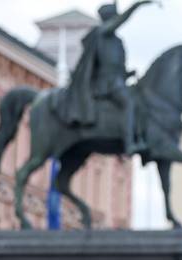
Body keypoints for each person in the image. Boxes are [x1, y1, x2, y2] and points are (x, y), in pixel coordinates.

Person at [57, 1, 154, 155]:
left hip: (117, 81)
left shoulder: (117, 41)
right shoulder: (101, 33)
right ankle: (129, 143)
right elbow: (106, 68)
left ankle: (140, 137)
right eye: (116, 17)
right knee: (128, 103)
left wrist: (128, 73)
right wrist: (138, 4)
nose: (118, 20)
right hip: (106, 84)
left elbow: (115, 67)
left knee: (139, 99)